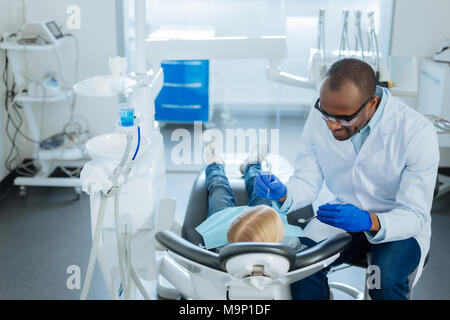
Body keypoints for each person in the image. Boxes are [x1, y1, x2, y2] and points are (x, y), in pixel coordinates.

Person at [255, 58, 439, 300]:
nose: (332, 125)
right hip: (343, 215)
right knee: (303, 267)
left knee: (384, 279)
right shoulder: (323, 114)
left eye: (344, 118)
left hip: (397, 225)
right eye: (326, 115)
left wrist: (369, 220)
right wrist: (284, 193)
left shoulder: (417, 133)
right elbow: (307, 181)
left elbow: (414, 214)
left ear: (371, 103)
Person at [195, 144, 303, 251]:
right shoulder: (290, 243)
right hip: (256, 224)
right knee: (260, 186)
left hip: (223, 226)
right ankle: (252, 164)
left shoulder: (219, 249)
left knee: (219, 187)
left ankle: (215, 163)